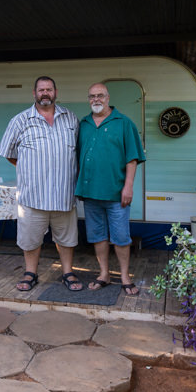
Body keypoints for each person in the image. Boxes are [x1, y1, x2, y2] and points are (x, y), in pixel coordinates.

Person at [0, 76, 82, 292]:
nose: (46, 93)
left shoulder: (71, 118)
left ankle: (68, 272)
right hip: (33, 195)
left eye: (49, 89)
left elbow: (77, 152)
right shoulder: (20, 120)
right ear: (34, 94)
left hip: (64, 194)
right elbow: (8, 152)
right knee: (30, 239)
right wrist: (29, 168)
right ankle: (30, 273)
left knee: (66, 239)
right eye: (41, 90)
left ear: (56, 92)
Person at [76, 82, 145, 295]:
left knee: (121, 237)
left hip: (117, 193)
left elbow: (132, 159)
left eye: (100, 96)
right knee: (97, 236)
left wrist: (129, 187)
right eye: (92, 96)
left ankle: (125, 277)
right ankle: (104, 273)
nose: (96, 100)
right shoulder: (84, 124)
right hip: (90, 193)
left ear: (108, 97)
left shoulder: (124, 123)